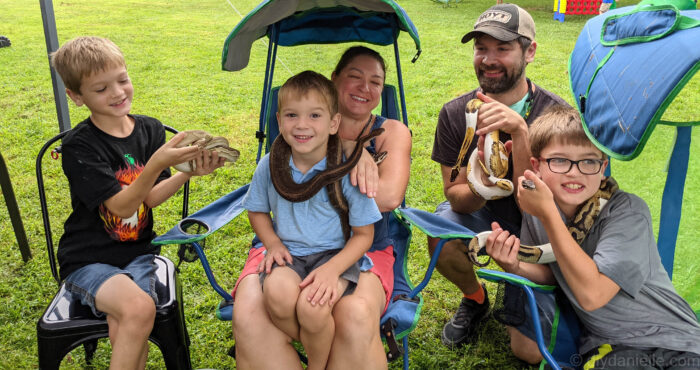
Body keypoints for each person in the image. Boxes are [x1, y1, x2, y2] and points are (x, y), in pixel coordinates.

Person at [232, 46, 412, 370]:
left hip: (350, 248)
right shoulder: (282, 153)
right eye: (354, 77)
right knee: (255, 309)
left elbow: (385, 199)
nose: (364, 87)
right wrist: (345, 147)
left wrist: (352, 155)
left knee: (349, 316)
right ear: (335, 81)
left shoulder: (388, 133)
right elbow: (258, 205)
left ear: (331, 122)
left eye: (375, 81)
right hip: (289, 244)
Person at [50, 36, 225, 369]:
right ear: (76, 97)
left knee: (128, 320)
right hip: (88, 260)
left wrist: (187, 173)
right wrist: (157, 163)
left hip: (138, 256)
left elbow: (150, 197)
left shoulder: (148, 130)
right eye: (100, 89)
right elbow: (120, 207)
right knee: (139, 309)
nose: (117, 93)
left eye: (122, 80)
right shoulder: (79, 146)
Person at [485, 105, 700, 367]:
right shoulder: (538, 211)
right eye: (560, 160)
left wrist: (549, 215)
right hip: (611, 347)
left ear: (603, 168)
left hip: (678, 342)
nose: (574, 172)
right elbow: (555, 271)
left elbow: (593, 295)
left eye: (589, 161)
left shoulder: (627, 213)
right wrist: (515, 265)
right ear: (536, 166)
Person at [429, 3, 569, 348]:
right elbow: (456, 196)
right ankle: (475, 299)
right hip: (487, 217)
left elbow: (541, 209)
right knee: (440, 233)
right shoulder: (455, 114)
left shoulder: (556, 117)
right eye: (481, 48)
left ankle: (523, 281)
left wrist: (520, 133)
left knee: (529, 353)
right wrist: (484, 188)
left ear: (530, 51)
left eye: (502, 48)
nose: (488, 59)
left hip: (538, 231)